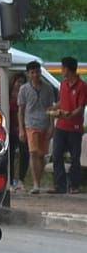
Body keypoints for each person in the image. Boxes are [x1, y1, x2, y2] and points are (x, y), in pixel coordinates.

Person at [47, 57, 86, 194]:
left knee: (75, 157)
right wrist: (52, 108)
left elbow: (80, 108)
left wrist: (70, 114)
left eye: (63, 68)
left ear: (69, 69)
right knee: (57, 155)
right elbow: (61, 102)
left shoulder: (82, 86)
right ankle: (60, 185)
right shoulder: (63, 84)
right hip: (61, 126)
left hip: (74, 128)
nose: (61, 71)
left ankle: (74, 185)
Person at [17, 61, 58, 194]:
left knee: (41, 155)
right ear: (29, 74)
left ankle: (38, 183)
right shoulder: (24, 89)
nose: (35, 75)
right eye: (32, 72)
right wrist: (21, 129)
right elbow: (21, 110)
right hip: (30, 124)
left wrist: (52, 126)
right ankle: (35, 184)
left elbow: (51, 108)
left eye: (37, 72)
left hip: (45, 124)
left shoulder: (48, 88)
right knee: (33, 152)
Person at [4, 71, 28, 190]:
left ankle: (21, 180)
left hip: (22, 127)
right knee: (10, 155)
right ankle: (11, 179)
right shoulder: (6, 95)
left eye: (22, 82)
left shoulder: (24, 95)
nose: (20, 85)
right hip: (10, 128)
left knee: (25, 153)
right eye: (18, 82)